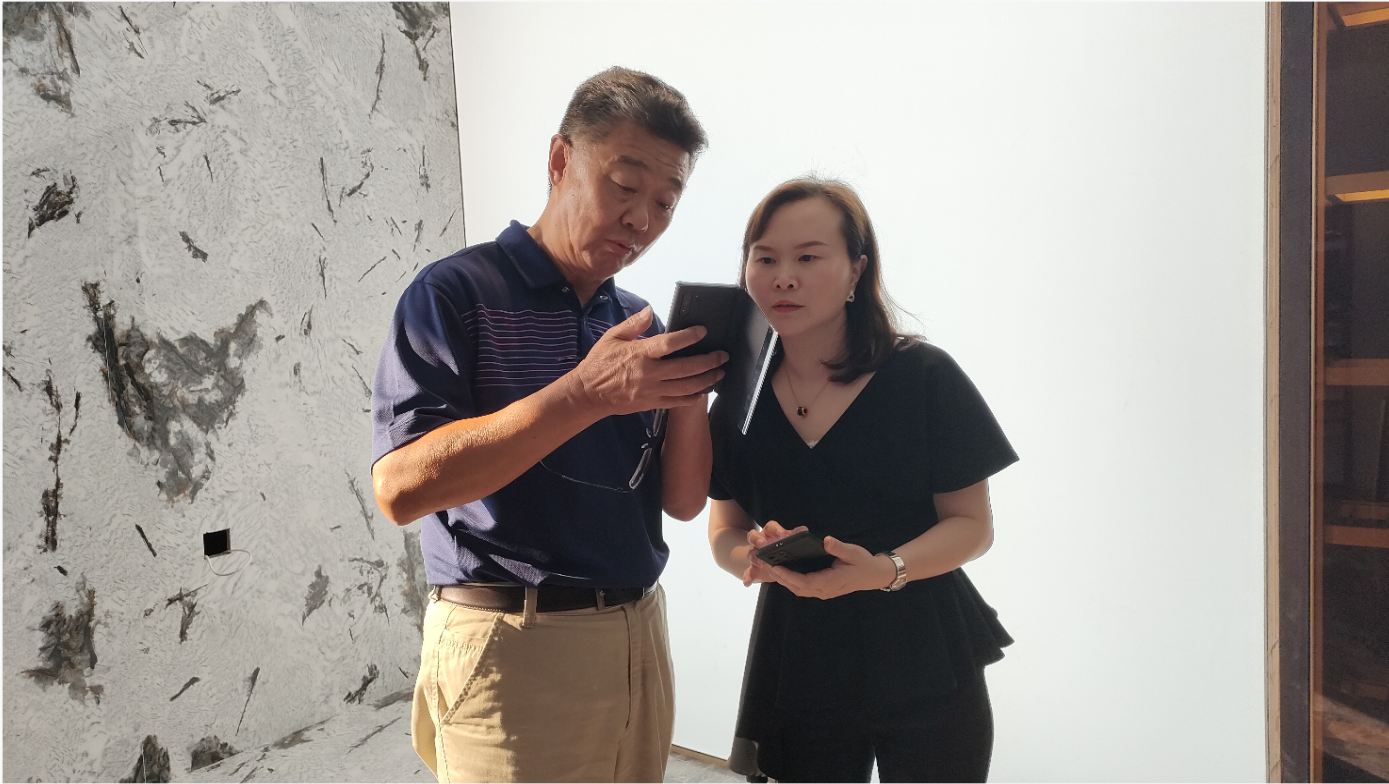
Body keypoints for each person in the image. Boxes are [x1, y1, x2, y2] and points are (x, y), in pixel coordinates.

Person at [370, 67, 725, 783]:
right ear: (561, 159)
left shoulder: (637, 321)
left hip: (636, 634)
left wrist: (690, 395)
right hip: (510, 640)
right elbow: (400, 489)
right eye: (624, 185)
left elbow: (683, 503)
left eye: (665, 201)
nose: (642, 220)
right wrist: (582, 395)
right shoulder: (454, 293)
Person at [706, 179, 1019, 783]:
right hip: (799, 652)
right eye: (765, 259)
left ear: (857, 269)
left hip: (923, 645)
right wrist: (754, 558)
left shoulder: (922, 375)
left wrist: (881, 570)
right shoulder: (739, 394)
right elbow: (725, 530)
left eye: (808, 257)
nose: (783, 278)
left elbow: (971, 526)